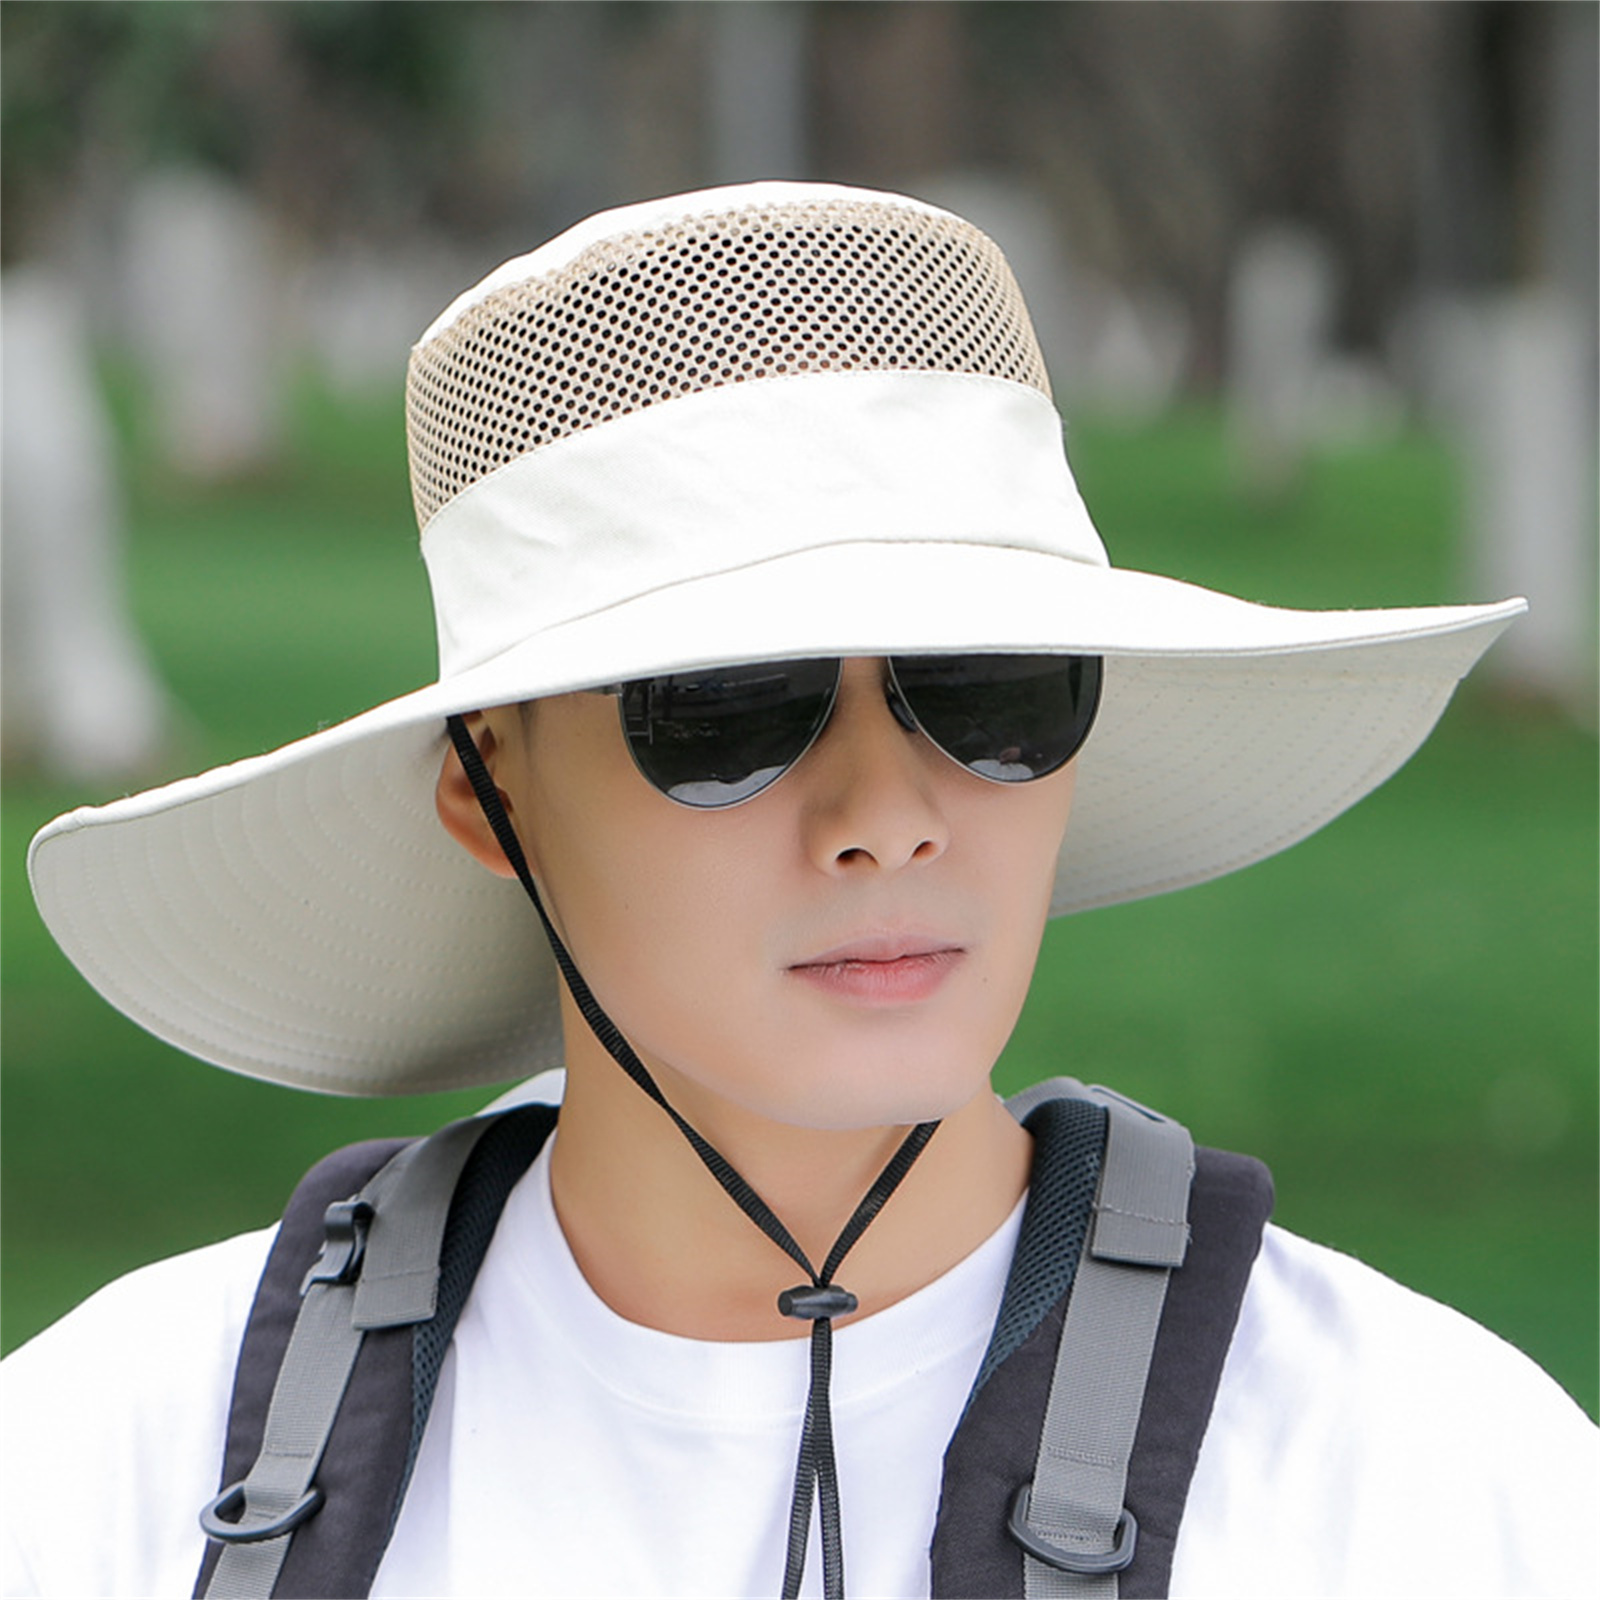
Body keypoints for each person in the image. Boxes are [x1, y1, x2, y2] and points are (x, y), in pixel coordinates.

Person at [4, 181, 1595, 1600]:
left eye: (988, 690)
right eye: (725, 712)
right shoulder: (117, 1471)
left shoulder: (1422, 1489)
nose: (885, 821)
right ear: (493, 789)